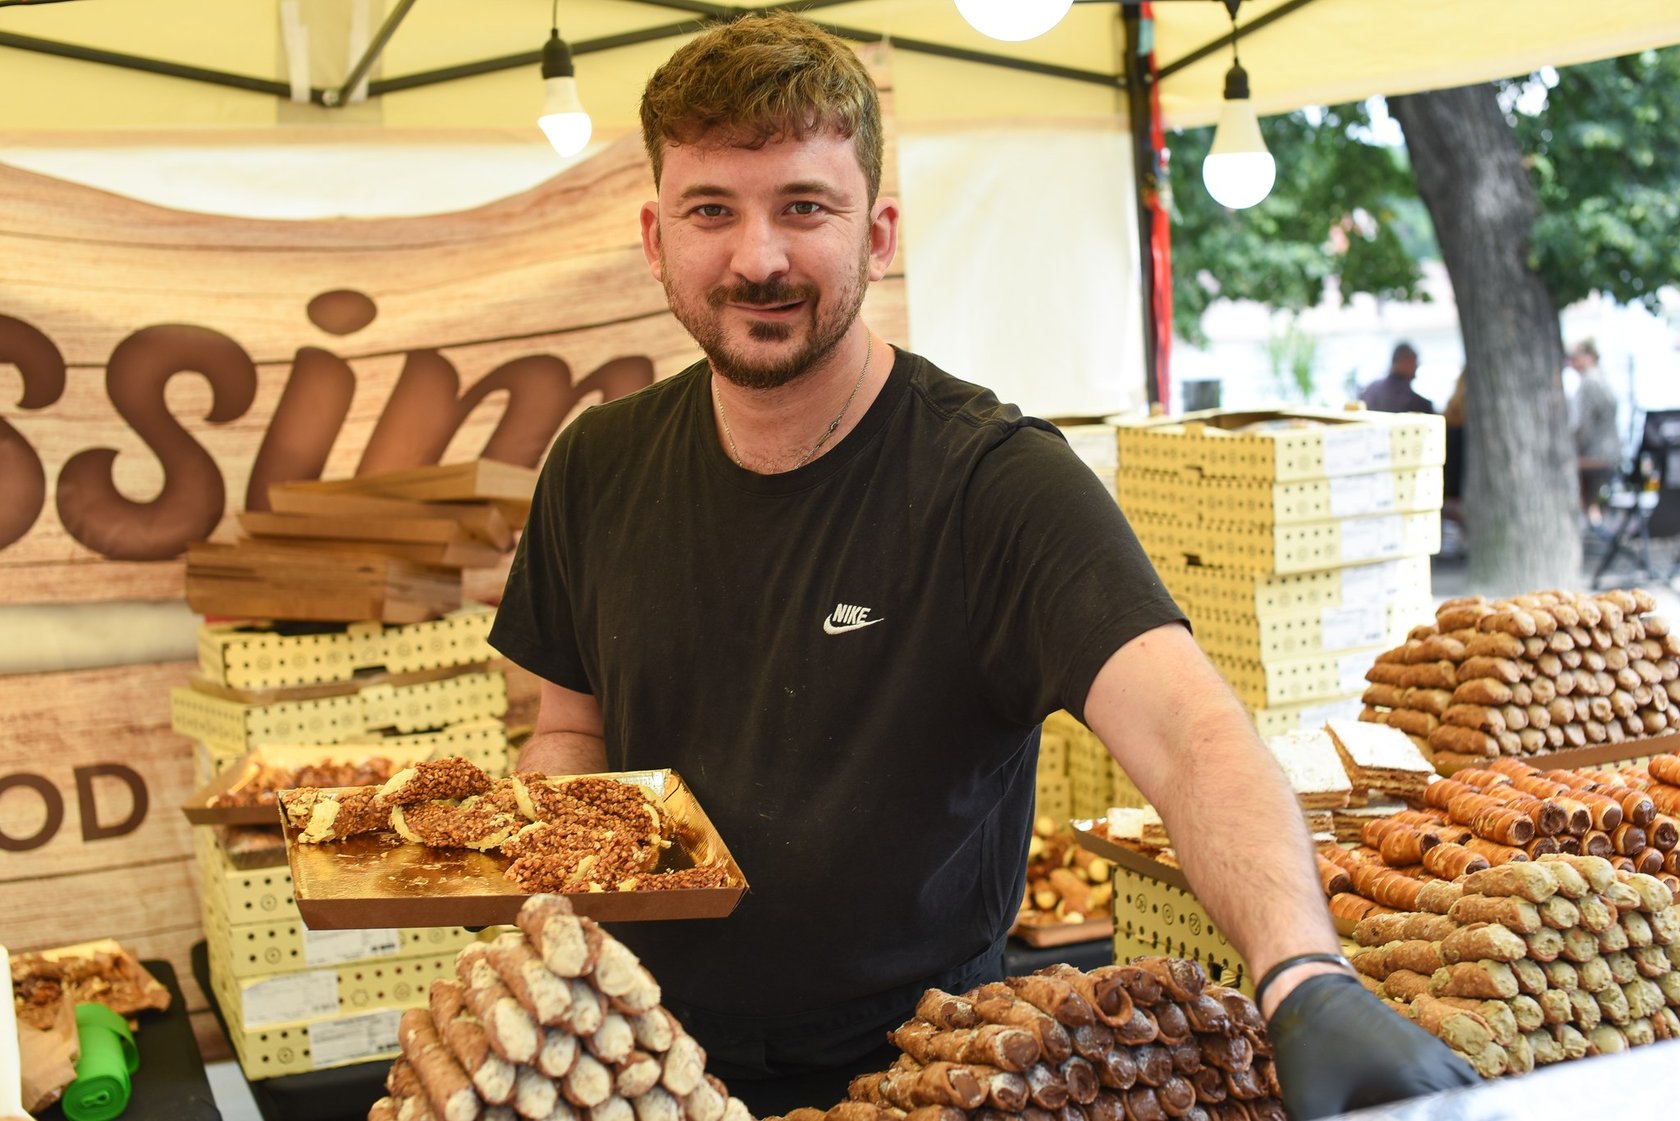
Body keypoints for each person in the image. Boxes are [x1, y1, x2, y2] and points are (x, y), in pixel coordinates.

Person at [489, 13, 1476, 1119]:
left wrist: (1303, 974)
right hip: (637, 1067)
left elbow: (1191, 733)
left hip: (930, 1074)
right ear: (655, 235)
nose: (757, 258)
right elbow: (570, 731)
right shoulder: (596, 465)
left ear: (879, 234)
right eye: (711, 210)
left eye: (804, 207)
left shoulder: (993, 481)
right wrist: (556, 926)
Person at [1570, 339, 1620, 525]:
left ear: (1588, 356)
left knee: (1560, 465)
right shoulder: (1603, 379)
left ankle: (1581, 520)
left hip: (1597, 456)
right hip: (1613, 453)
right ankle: (1592, 516)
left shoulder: (1589, 383)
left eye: (1575, 356)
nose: (1571, 362)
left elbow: (1582, 427)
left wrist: (1569, 448)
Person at [1359, 341, 1433, 413]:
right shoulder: (1413, 401)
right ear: (1400, 362)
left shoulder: (1372, 387)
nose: (1416, 365)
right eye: (1413, 361)